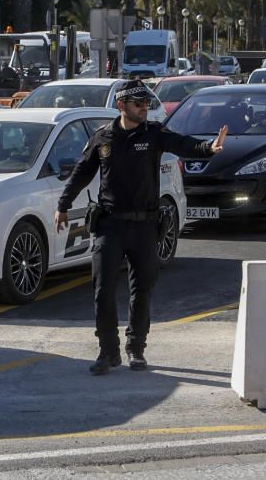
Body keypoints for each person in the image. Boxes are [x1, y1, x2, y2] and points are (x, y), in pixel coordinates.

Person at [55, 80, 228, 375]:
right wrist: (63, 205)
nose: (145, 109)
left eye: (147, 104)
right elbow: (82, 173)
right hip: (110, 225)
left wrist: (208, 148)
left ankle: (136, 348)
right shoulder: (103, 138)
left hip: (145, 226)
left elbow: (182, 144)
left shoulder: (154, 134)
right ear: (122, 106)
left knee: (142, 290)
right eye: (139, 104)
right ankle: (107, 351)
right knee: (102, 290)